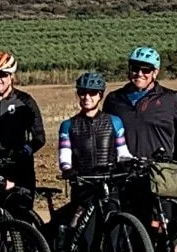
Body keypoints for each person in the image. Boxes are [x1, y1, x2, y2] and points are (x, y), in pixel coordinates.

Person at [53, 72, 132, 228]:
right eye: (82, 92)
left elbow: (123, 152)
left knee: (115, 229)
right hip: (84, 186)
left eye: (92, 93)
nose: (87, 97)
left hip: (109, 186)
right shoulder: (68, 125)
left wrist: (130, 162)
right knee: (85, 236)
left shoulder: (114, 122)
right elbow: (65, 156)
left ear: (100, 95)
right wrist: (68, 169)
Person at [105, 47, 177, 162]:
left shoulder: (170, 98)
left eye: (146, 70)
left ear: (155, 72)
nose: (139, 74)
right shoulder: (113, 99)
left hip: (159, 171)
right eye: (135, 68)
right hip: (123, 172)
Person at [0, 51, 45, 191]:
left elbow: (39, 137)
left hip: (19, 169)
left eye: (2, 74)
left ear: (12, 76)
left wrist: (24, 152)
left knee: (20, 211)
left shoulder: (25, 101)